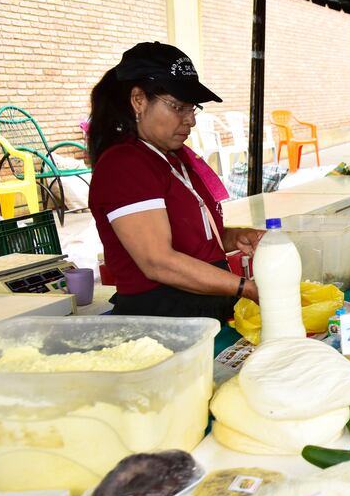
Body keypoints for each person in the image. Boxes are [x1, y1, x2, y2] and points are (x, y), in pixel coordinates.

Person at [88, 42, 262, 323]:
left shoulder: (173, 158)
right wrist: (245, 288)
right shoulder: (125, 165)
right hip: (162, 319)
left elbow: (190, 238)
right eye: (178, 107)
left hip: (202, 313)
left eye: (192, 108)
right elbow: (158, 261)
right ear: (139, 101)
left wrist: (234, 236)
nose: (190, 120)